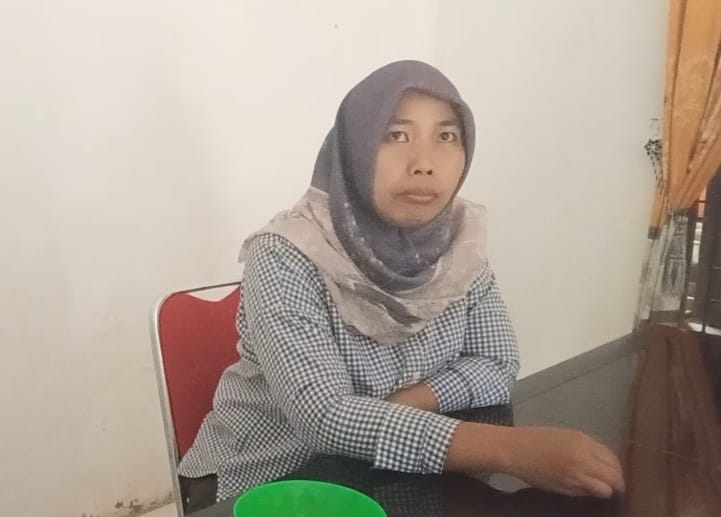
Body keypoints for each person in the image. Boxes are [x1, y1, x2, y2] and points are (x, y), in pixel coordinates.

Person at [177, 60, 625, 511]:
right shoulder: (286, 252)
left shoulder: (460, 244)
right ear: (353, 147)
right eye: (395, 135)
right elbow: (324, 416)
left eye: (446, 137)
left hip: (387, 475)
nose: (424, 164)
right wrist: (509, 450)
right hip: (268, 481)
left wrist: (406, 403)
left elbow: (496, 363)